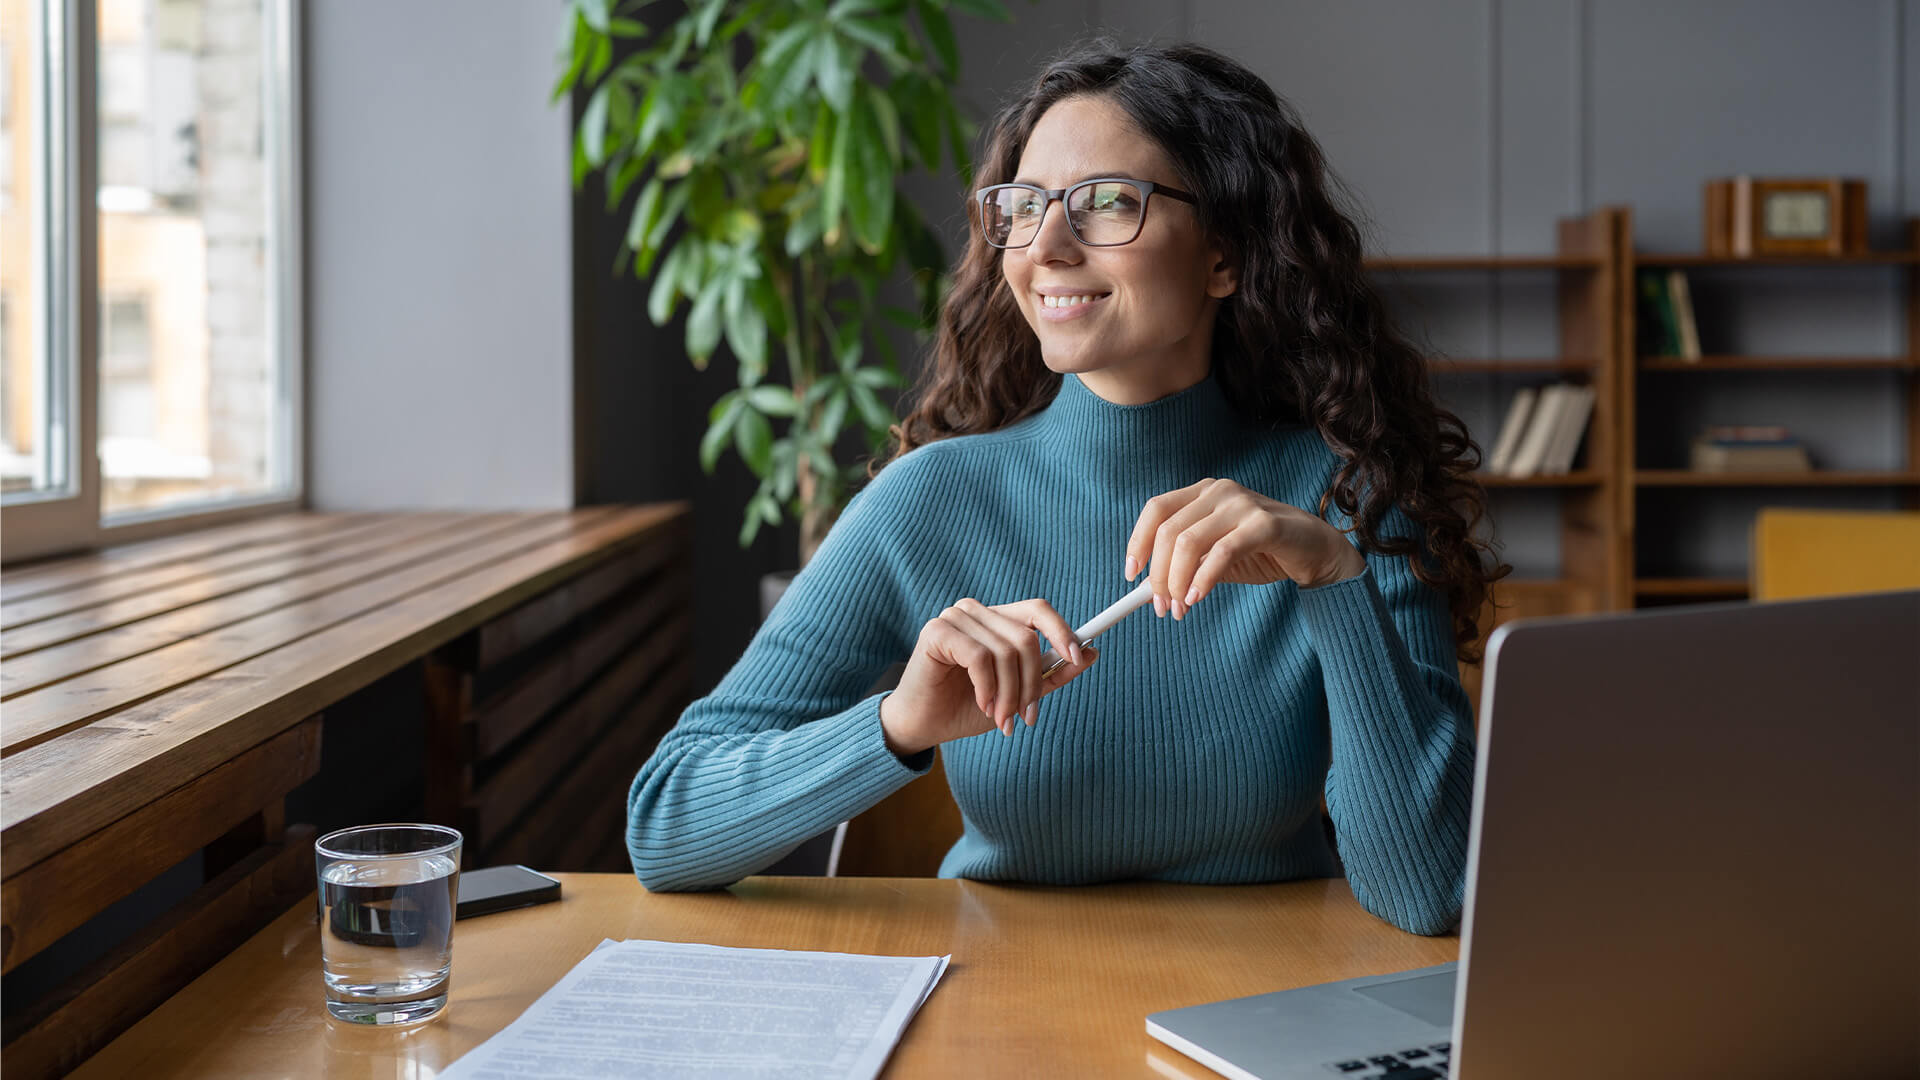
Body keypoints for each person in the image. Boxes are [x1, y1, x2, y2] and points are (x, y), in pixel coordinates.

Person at [627, 39, 1507, 936]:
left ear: (1225, 256)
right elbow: (665, 824)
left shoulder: (1348, 501)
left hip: (1266, 1019)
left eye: (1107, 203)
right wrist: (898, 723)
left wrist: (1333, 578)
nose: (1045, 246)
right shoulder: (929, 501)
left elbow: (1429, 894)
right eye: (1023, 206)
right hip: (997, 1019)